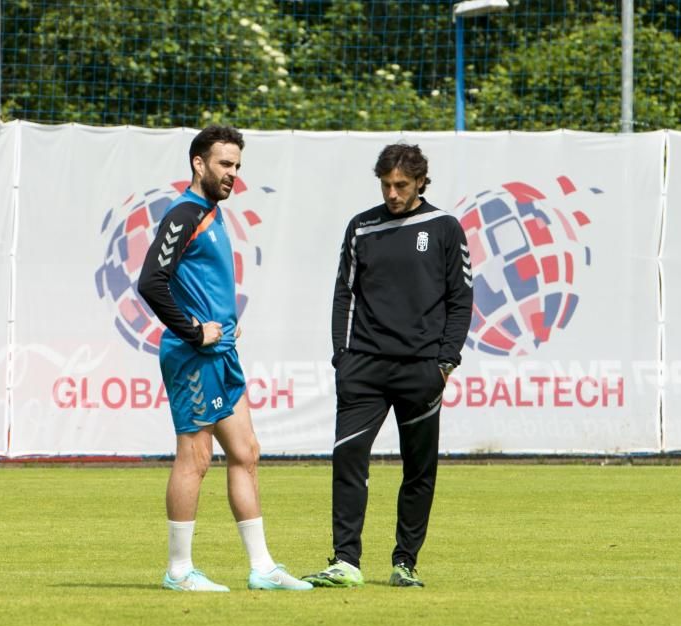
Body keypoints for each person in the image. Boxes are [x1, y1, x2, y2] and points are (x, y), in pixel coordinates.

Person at [137, 125, 311, 592]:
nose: (233, 174)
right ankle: (178, 572)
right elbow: (151, 281)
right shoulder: (185, 213)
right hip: (195, 355)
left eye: (237, 166)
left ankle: (262, 568)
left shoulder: (211, 213)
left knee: (245, 452)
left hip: (222, 354)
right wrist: (194, 329)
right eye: (224, 165)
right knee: (195, 458)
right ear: (199, 163)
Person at [303, 143, 473, 588]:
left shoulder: (444, 228)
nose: (393, 193)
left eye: (401, 185)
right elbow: (344, 292)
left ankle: (405, 562)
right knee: (348, 459)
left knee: (419, 470)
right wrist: (342, 358)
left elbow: (461, 300)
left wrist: (445, 362)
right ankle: (345, 561)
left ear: (420, 182)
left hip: (421, 371)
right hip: (364, 368)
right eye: (386, 185)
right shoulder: (361, 227)